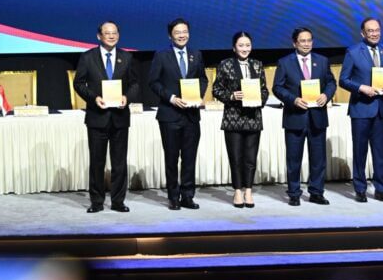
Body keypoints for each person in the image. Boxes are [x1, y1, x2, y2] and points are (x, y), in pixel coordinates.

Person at [73, 21, 139, 213]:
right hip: (97, 117)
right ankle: (97, 202)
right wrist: (94, 98)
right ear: (99, 36)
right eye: (107, 33)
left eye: (115, 33)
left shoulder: (127, 57)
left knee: (119, 163)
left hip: (119, 117)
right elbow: (79, 84)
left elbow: (135, 84)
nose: (111, 36)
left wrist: (127, 97)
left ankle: (118, 201)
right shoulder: (88, 57)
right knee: (97, 162)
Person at [148, 17, 208, 210]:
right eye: (177, 32)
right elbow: (154, 82)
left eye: (185, 32)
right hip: (169, 114)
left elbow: (203, 79)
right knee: (172, 158)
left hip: (191, 115)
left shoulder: (196, 54)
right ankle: (173, 196)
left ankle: (188, 196)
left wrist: (199, 96)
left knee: (190, 158)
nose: (182, 35)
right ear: (170, 35)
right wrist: (171, 98)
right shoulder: (161, 55)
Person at [273, 27, 337, 206]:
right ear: (295, 43)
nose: (307, 44)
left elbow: (331, 82)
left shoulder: (322, 61)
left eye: (309, 40)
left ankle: (316, 192)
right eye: (303, 41)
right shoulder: (285, 62)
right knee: (294, 159)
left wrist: (326, 95)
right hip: (295, 116)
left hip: (317, 116)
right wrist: (293, 100)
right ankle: (294, 193)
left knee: (318, 159)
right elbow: (277, 87)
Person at [340, 17, 383, 202]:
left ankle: (381, 189)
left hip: (381, 108)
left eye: (377, 30)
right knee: (360, 152)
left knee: (379, 152)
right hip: (361, 109)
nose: (374, 34)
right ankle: (360, 189)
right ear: (362, 33)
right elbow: (344, 79)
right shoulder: (353, 51)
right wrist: (361, 88)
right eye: (370, 31)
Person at [212, 31, 269, 208]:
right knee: (235, 157)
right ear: (234, 47)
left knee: (250, 157)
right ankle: (237, 191)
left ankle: (248, 191)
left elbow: (265, 90)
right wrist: (231, 96)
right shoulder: (225, 64)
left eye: (248, 45)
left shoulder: (258, 65)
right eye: (241, 45)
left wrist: (261, 99)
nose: (245, 49)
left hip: (253, 117)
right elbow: (216, 90)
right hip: (233, 117)